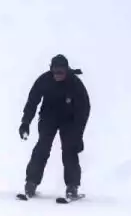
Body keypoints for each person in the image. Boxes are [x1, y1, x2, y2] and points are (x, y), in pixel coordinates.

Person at [19, 54, 91, 200]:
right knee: (42, 147)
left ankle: (72, 187)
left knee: (70, 150)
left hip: (70, 120)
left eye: (61, 72)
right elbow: (32, 102)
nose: (58, 75)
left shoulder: (75, 84)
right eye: (55, 72)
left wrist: (78, 134)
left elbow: (84, 109)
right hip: (48, 117)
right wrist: (25, 122)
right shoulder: (44, 80)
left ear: (67, 71)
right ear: (51, 70)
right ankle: (31, 183)